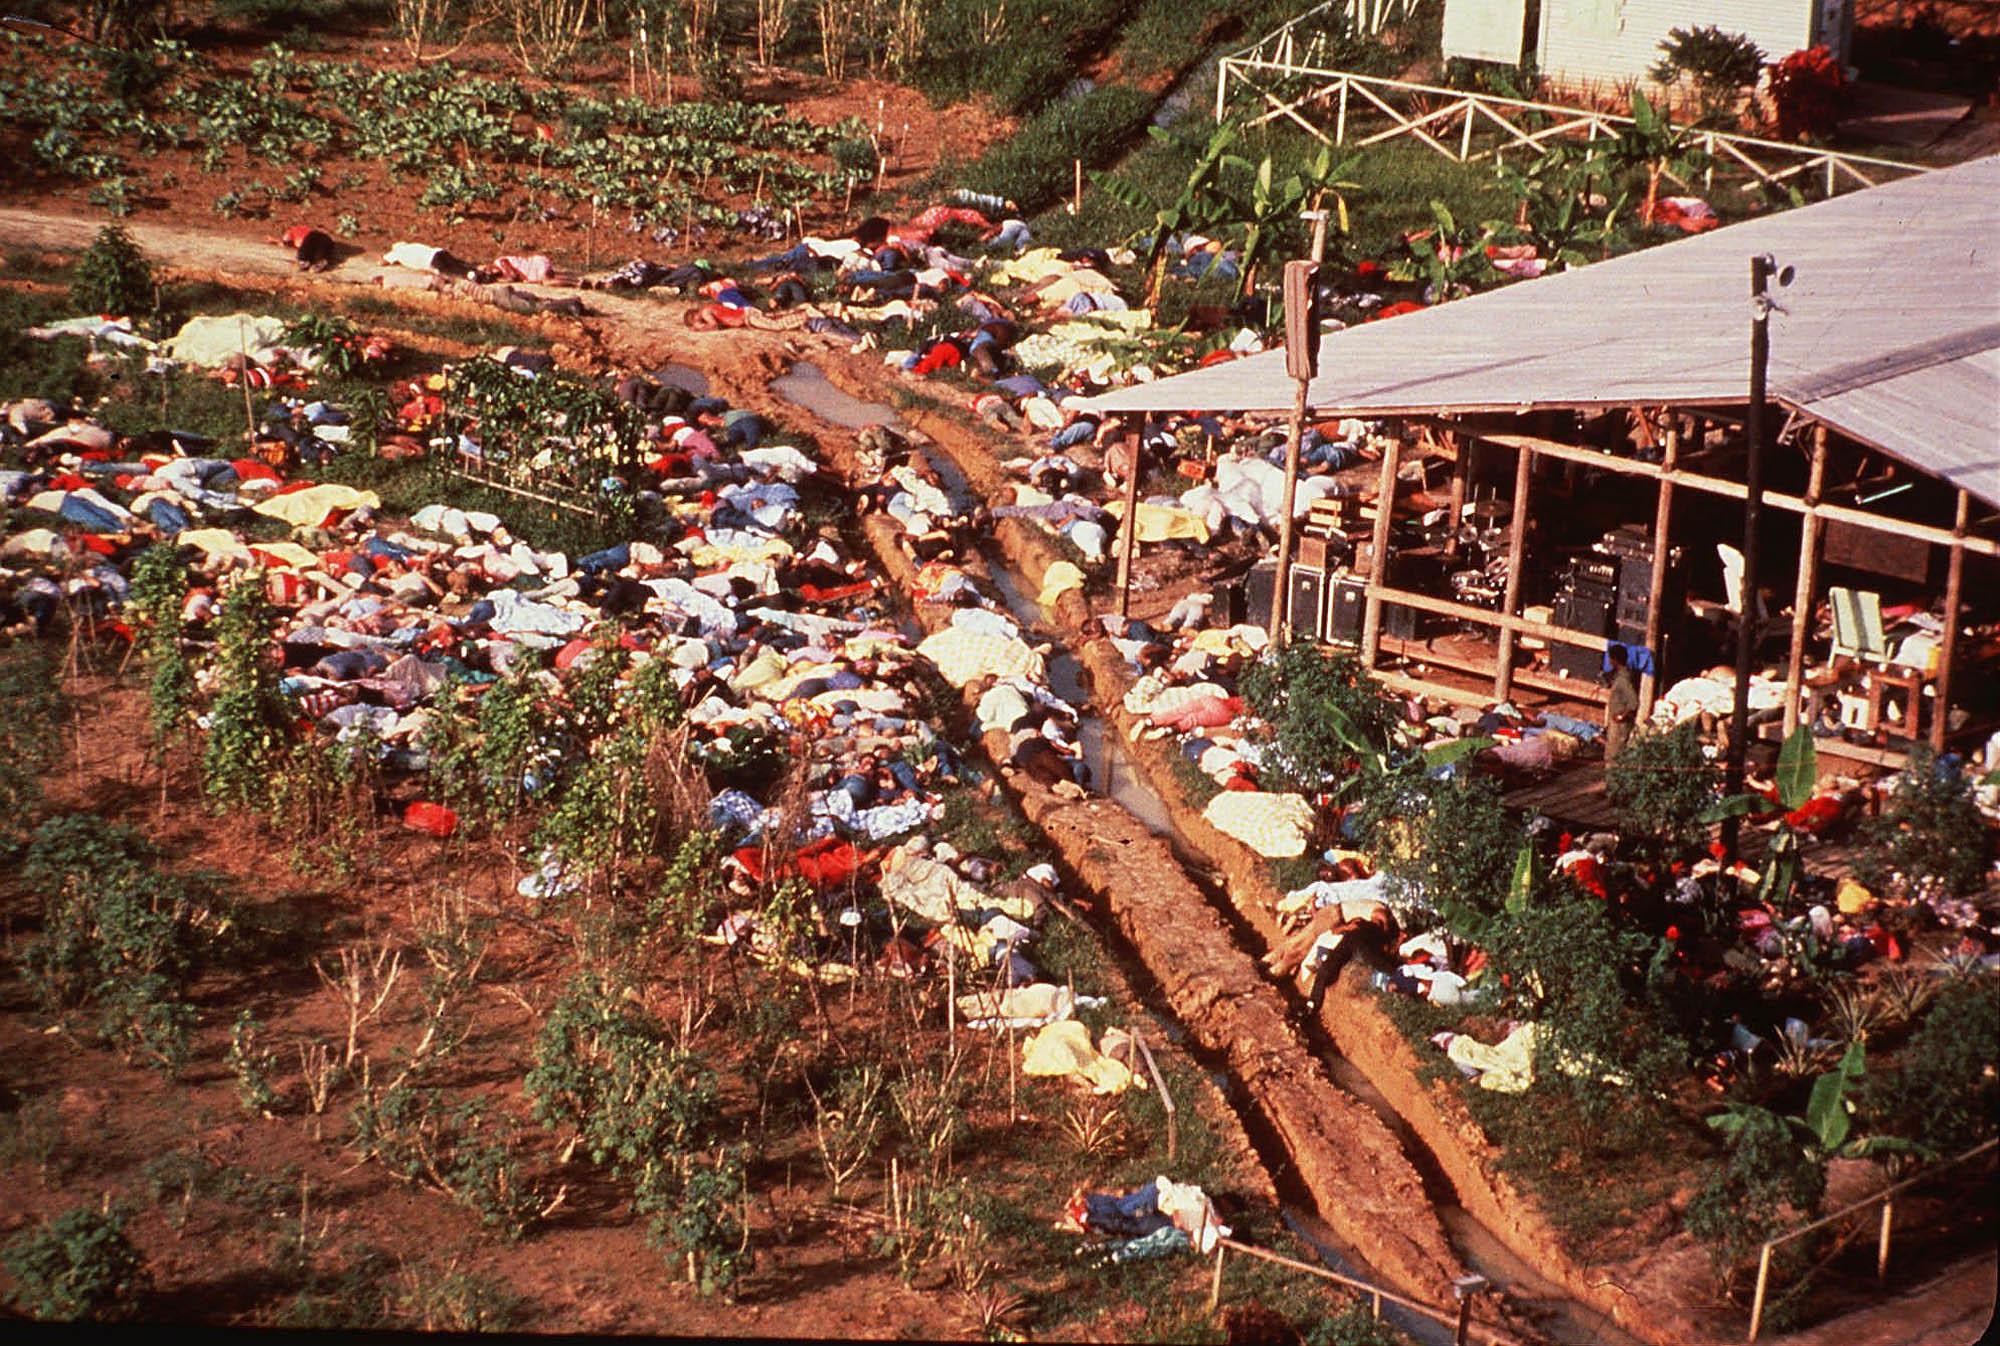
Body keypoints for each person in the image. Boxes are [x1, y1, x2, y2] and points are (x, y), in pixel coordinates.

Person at [1604, 643, 1639, 760]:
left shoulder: (1623, 680)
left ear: (1615, 660)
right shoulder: (1619, 676)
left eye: (1610, 658)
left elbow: (1633, 702)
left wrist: (1621, 716)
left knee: (1614, 755)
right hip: (1616, 721)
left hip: (1619, 725)